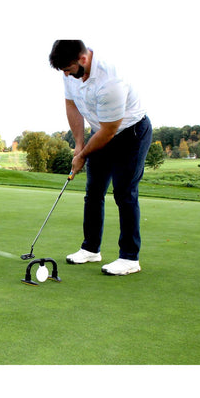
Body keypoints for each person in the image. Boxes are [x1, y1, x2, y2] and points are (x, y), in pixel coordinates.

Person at [49, 40, 152, 275]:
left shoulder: (111, 81)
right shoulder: (71, 71)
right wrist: (78, 144)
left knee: (124, 193)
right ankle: (91, 249)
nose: (66, 75)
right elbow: (71, 104)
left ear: (83, 60)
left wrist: (83, 155)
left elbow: (109, 131)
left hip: (131, 133)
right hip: (100, 130)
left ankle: (129, 258)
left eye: (68, 70)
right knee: (93, 192)